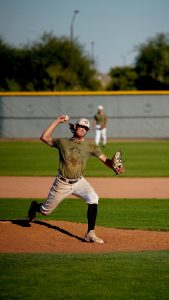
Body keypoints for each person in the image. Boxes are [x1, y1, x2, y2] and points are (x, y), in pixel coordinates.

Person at [27, 115, 119, 244]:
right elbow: (44, 138)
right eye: (81, 126)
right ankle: (35, 206)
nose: (83, 129)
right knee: (45, 211)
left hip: (80, 182)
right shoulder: (63, 142)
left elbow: (106, 161)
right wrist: (57, 121)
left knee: (93, 198)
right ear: (75, 127)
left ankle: (90, 233)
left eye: (86, 128)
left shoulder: (91, 147)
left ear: (87, 131)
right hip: (62, 183)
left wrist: (115, 167)